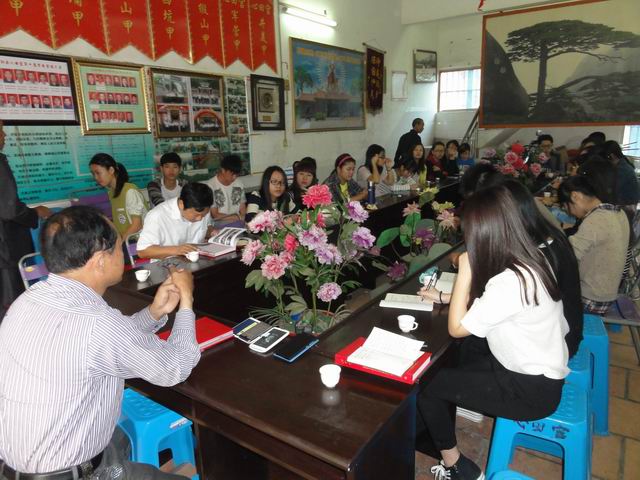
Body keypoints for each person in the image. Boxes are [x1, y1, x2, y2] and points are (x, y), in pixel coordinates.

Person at [0, 206, 199, 478]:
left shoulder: (28, 300)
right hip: (71, 472)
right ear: (101, 260)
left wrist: (155, 312)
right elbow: (174, 367)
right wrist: (186, 301)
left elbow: (105, 343)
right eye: (118, 247)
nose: (122, 253)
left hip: (17, 465)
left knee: (120, 437)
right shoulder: (96, 322)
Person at [416, 185, 569, 480]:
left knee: (428, 385)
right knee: (452, 366)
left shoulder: (510, 281)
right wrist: (444, 297)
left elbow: (457, 329)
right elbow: (491, 304)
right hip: (534, 371)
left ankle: (457, 466)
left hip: (529, 390)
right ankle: (462, 408)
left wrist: (466, 269)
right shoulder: (530, 260)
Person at [0, 120, 51, 320]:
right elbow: (9, 209)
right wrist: (34, 213)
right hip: (6, 251)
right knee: (11, 306)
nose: (5, 136)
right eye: (1, 131)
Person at [558, 175, 630, 315]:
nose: (570, 213)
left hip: (591, 299)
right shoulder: (619, 213)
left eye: (566, 207)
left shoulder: (596, 219)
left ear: (575, 196)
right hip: (608, 292)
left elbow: (568, 258)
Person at [137, 183, 213, 259]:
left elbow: (204, 230)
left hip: (198, 260)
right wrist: (177, 250)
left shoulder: (203, 209)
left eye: (204, 215)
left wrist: (213, 233)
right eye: (196, 215)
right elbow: (143, 251)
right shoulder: (157, 216)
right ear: (181, 204)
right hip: (167, 263)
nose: (200, 219)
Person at [89, 153, 147, 240]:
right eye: (93, 174)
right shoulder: (111, 192)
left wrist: (119, 243)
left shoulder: (130, 191)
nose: (96, 177)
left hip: (139, 240)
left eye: (98, 173)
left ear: (111, 170)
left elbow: (137, 226)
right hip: (126, 238)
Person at [205, 154, 247, 226]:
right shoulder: (211, 186)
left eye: (236, 175)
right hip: (219, 223)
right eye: (232, 174)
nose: (234, 177)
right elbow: (215, 215)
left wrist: (244, 219)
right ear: (223, 170)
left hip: (238, 221)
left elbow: (242, 207)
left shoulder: (239, 183)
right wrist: (236, 217)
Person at [599, 140, 640, 210]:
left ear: (611, 156)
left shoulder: (622, 170)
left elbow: (611, 191)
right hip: (625, 204)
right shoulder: (621, 164)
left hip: (628, 208)